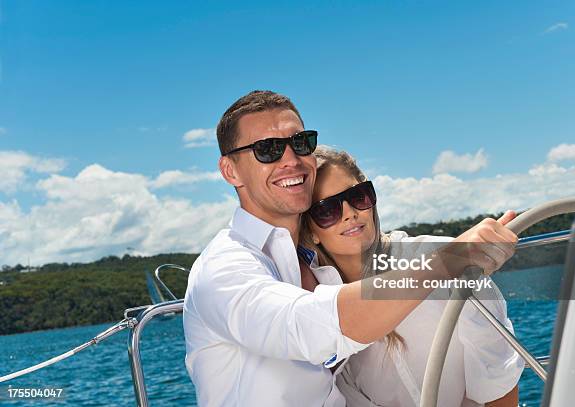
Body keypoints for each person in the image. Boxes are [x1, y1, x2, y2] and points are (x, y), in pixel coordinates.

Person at [183, 90, 519, 406]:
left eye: (300, 143)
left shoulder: (313, 268)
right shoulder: (224, 269)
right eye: (267, 149)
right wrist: (448, 261)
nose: (291, 159)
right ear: (230, 170)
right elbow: (309, 325)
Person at [299, 146, 524, 407]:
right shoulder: (321, 307)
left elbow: (497, 371)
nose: (350, 212)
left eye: (357, 197)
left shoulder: (449, 257)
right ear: (311, 231)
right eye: (327, 210)